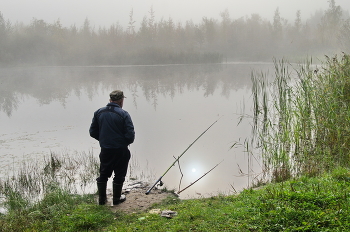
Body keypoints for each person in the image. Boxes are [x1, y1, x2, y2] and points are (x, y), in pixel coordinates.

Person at [89, 90, 135, 205]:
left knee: (103, 174)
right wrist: (124, 142)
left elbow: (92, 132)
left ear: (110, 100)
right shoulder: (124, 114)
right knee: (119, 174)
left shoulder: (98, 113)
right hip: (121, 150)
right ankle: (116, 199)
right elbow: (130, 135)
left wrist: (104, 140)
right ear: (121, 101)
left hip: (105, 149)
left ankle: (102, 200)